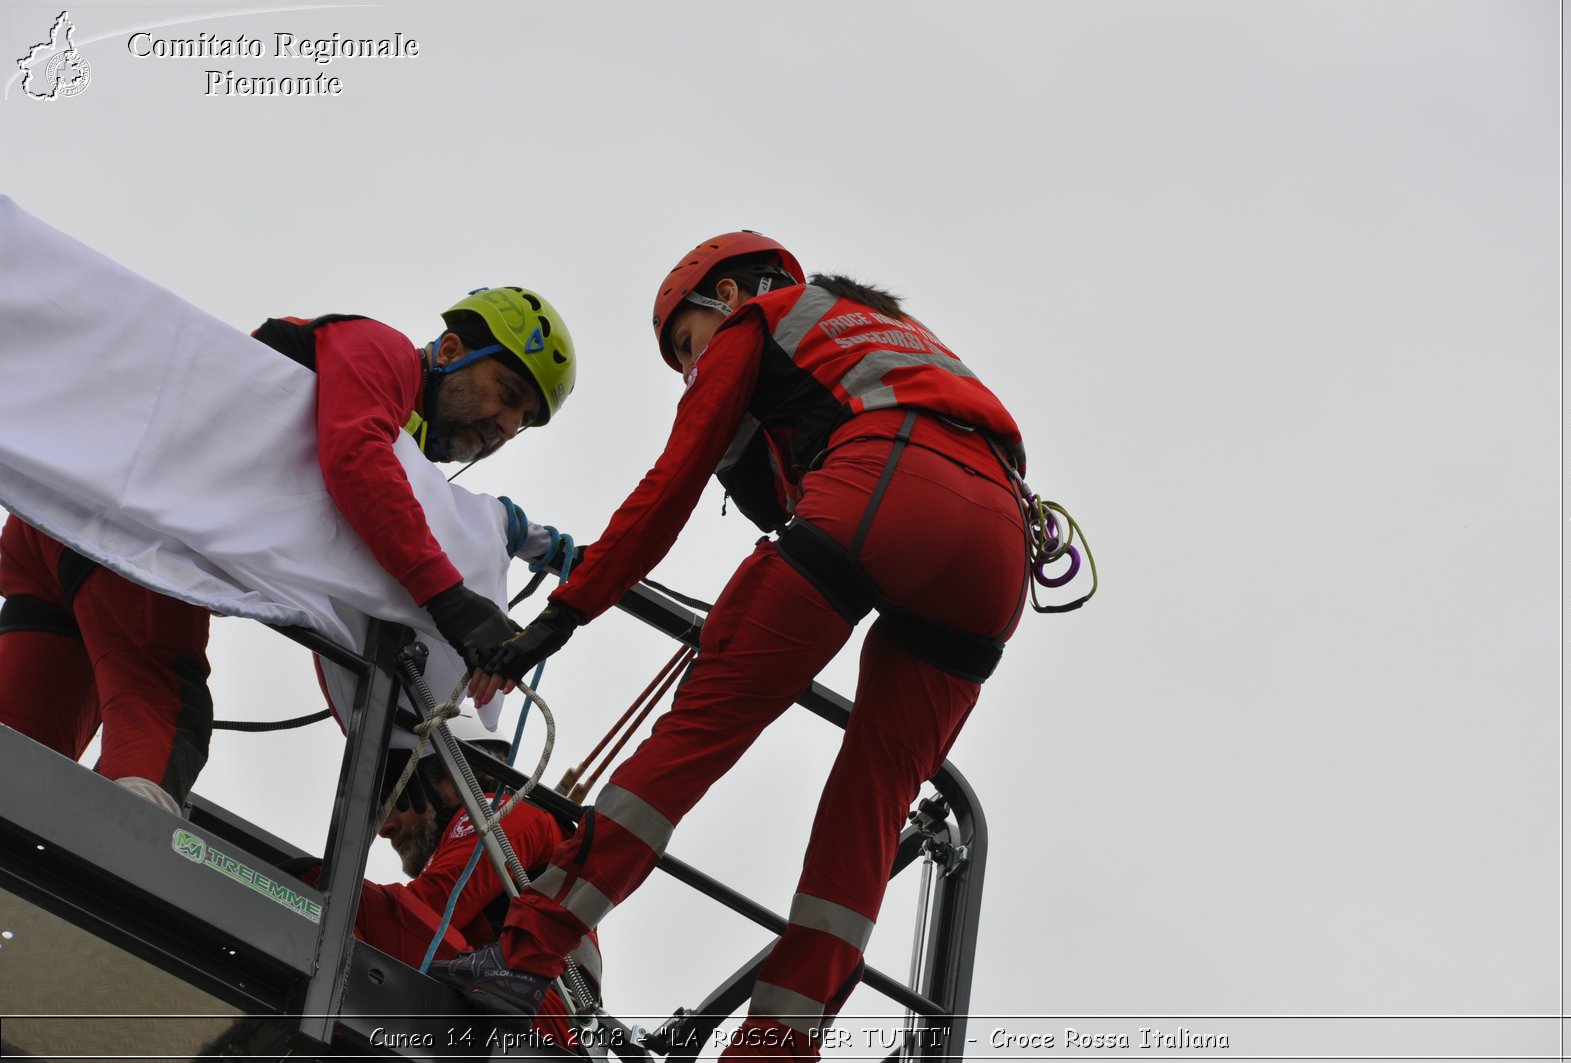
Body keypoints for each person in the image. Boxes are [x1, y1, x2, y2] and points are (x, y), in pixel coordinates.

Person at [433, 233, 1030, 1059]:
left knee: (699, 731)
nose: (688, 368)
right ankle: (780, 1046)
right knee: (873, 804)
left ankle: (526, 953)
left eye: (687, 343)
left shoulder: (759, 320)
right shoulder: (889, 338)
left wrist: (564, 613)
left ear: (730, 293)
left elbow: (669, 487)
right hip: (1002, 548)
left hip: (886, 482)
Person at [0, 286, 575, 814]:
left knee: (21, 741)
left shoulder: (390, 418)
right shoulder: (384, 351)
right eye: (507, 393)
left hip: (70, 514)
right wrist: (451, 600)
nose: (505, 425)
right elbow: (357, 461)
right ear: (450, 349)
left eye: (523, 420)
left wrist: (538, 542)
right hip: (133, 529)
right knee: (165, 710)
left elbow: (404, 494)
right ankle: (113, 865)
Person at [364, 740, 602, 1047]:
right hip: (526, 1007)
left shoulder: (498, 810)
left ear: (449, 781)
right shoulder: (504, 819)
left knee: (348, 907)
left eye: (397, 797)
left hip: (534, 1008)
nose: (384, 826)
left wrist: (305, 880)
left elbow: (429, 908)